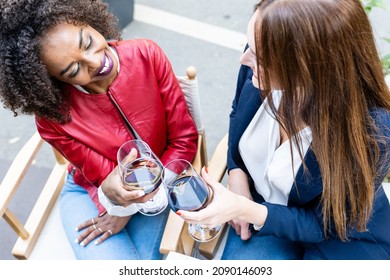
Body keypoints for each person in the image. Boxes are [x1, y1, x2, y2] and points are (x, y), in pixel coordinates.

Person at [178, 0, 390, 259]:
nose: (244, 60)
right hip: (265, 218)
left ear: (309, 69)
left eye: (259, 58)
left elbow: (323, 226)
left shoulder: (371, 132)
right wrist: (236, 172)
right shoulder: (261, 53)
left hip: (340, 239)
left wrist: (246, 210)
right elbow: (238, 112)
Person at [0, 0, 198, 260]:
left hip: (159, 181)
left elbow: (184, 140)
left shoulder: (146, 54)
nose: (95, 61)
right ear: (51, 81)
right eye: (74, 70)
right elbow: (102, 176)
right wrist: (117, 204)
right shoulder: (52, 119)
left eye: (87, 41)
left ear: (88, 20)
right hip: (90, 191)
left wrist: (130, 207)